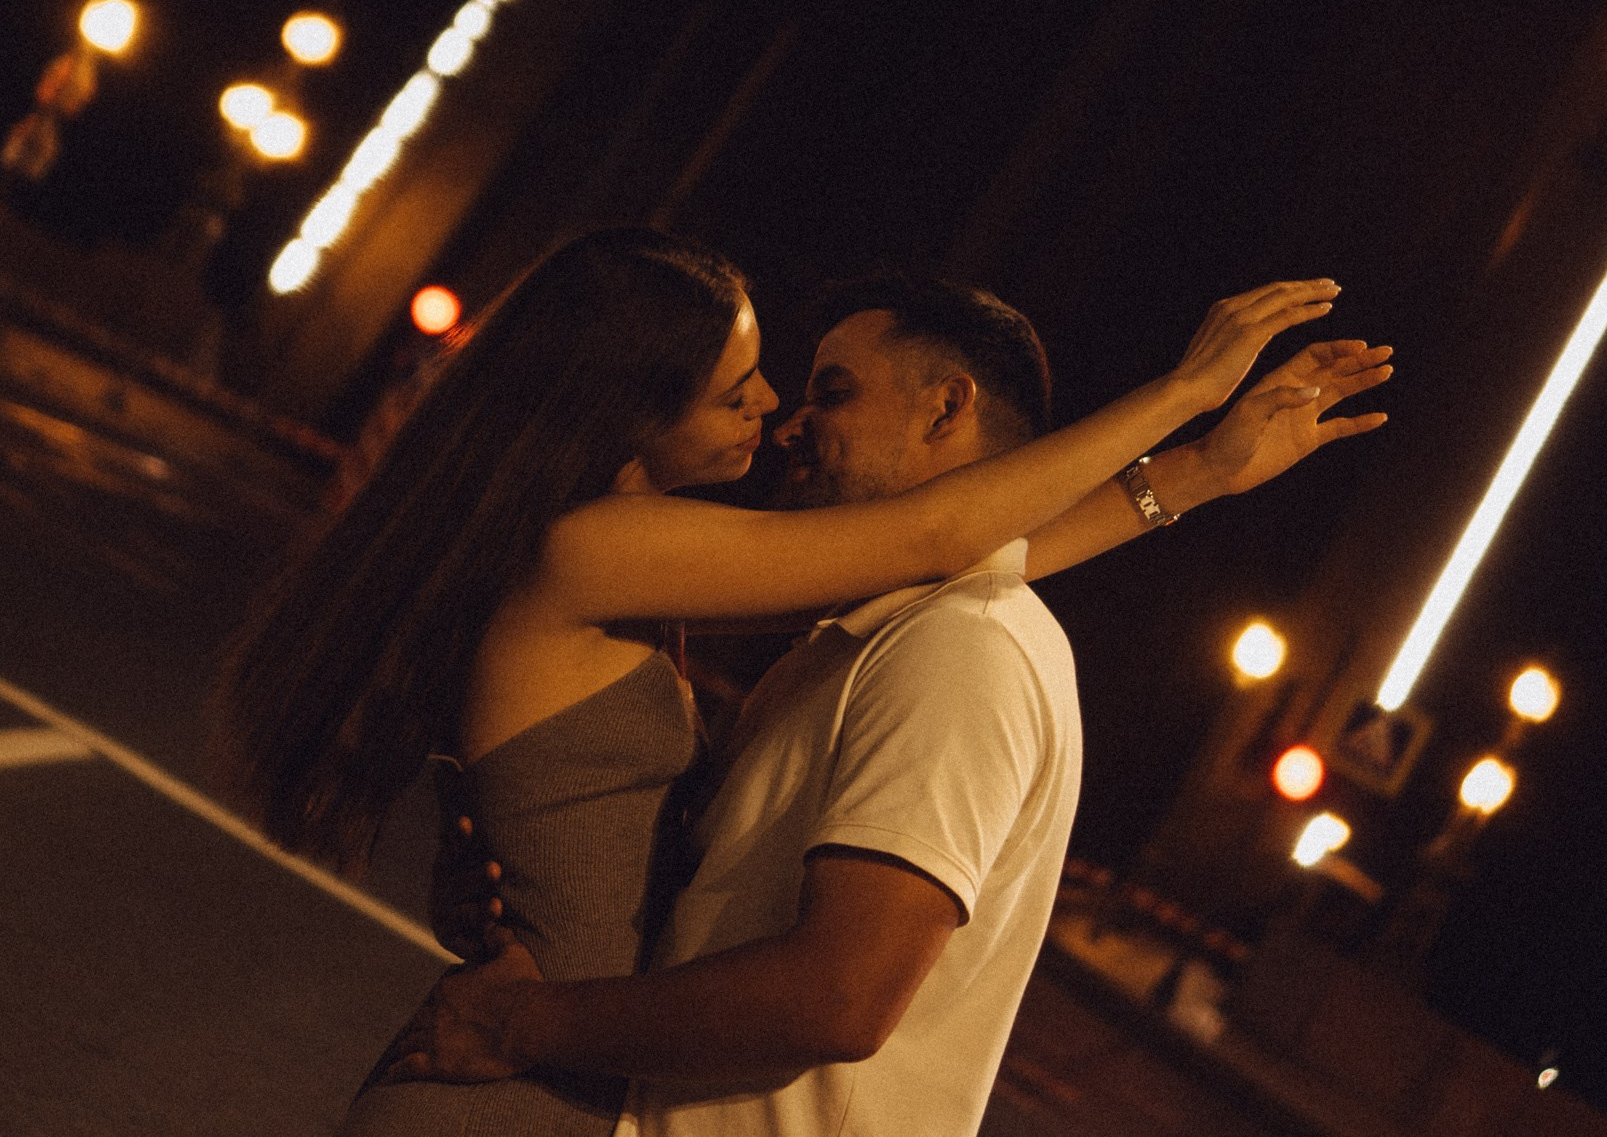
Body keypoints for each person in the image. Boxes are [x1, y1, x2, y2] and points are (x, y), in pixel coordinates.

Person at [364, 268, 1393, 1135]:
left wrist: (1201, 463)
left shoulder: (948, 643)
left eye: (821, 388)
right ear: (637, 397)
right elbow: (939, 545)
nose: (778, 416)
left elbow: (967, 559)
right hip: (512, 1090)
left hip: (535, 1073)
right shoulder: (601, 548)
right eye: (741, 388)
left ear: (946, 406)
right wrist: (1182, 400)